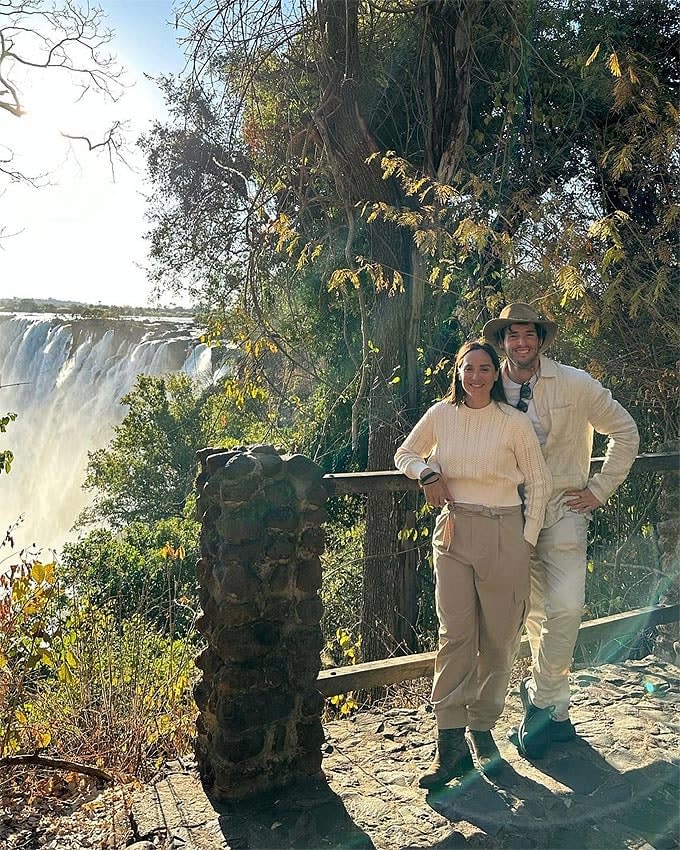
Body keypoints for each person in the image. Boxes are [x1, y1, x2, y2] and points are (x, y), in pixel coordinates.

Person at [482, 303, 639, 760]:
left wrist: (600, 488)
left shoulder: (575, 383)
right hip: (509, 513)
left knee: (568, 608)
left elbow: (625, 432)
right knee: (533, 616)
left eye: (529, 335)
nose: (521, 343)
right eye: (513, 336)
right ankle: (558, 712)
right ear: (502, 341)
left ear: (541, 340)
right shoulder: (486, 385)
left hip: (564, 509)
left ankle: (540, 695)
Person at [394, 340, 551, 788]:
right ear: (458, 372)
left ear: (494, 374)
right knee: (455, 636)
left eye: (485, 368)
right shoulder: (442, 415)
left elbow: (539, 485)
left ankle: (482, 728)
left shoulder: (514, 423)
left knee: (500, 640)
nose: (477, 376)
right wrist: (427, 473)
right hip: (455, 532)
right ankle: (450, 749)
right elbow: (406, 453)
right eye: (469, 368)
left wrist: (525, 539)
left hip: (506, 533)